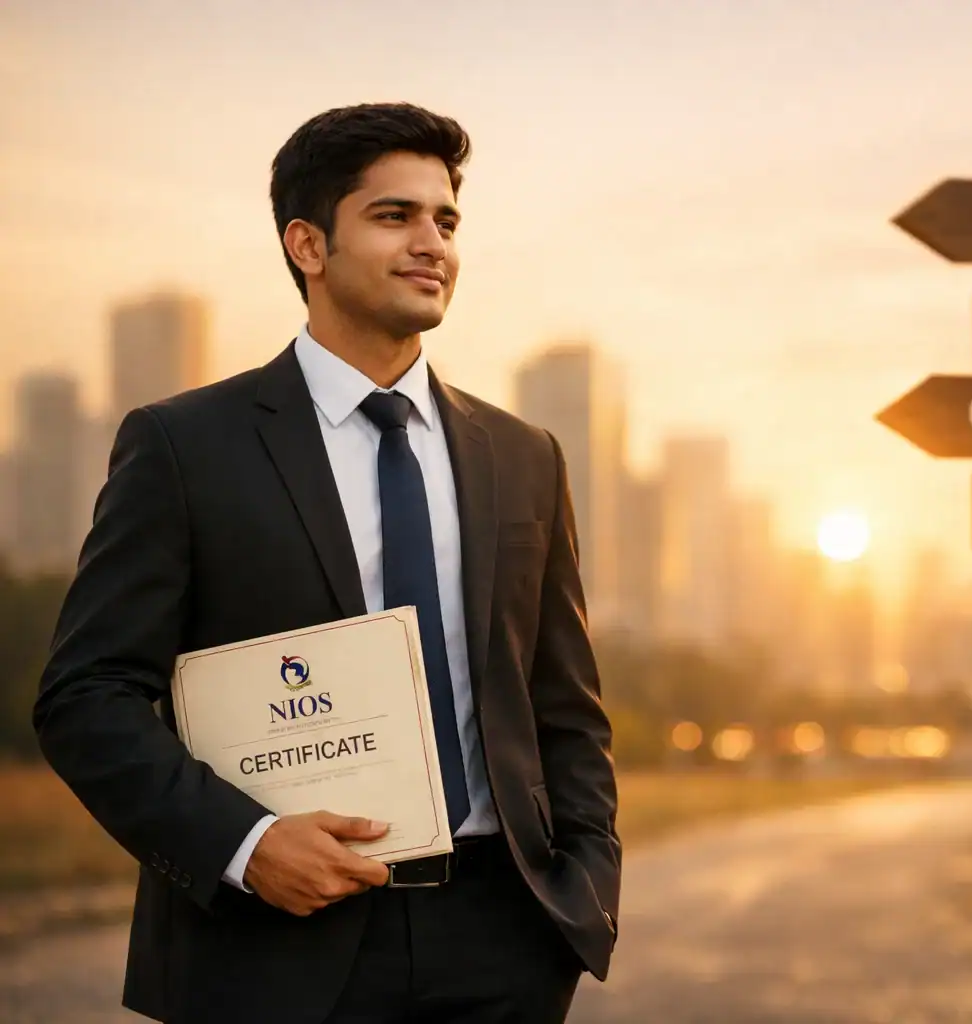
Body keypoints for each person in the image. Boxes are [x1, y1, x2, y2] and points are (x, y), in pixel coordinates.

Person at [32, 102, 620, 1024]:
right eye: (395, 216)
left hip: (502, 939)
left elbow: (565, 702)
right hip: (272, 943)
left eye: (447, 220)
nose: (433, 243)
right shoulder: (184, 446)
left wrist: (583, 886)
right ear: (308, 244)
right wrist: (246, 843)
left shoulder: (524, 455)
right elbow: (87, 694)